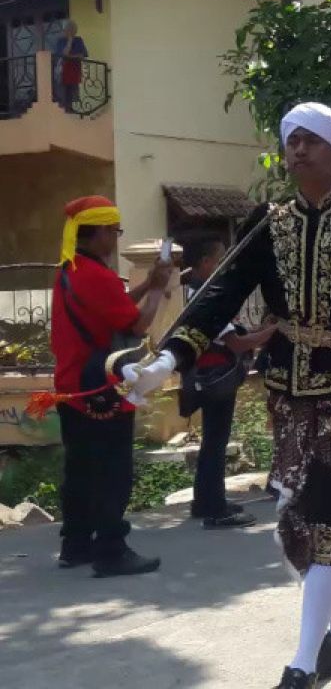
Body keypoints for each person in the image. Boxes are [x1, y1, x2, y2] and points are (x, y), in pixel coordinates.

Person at [123, 103, 331, 688]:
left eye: (311, 140)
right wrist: (168, 358)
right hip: (287, 387)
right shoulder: (270, 218)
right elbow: (222, 291)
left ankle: (303, 663)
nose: (298, 149)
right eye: (291, 140)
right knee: (293, 521)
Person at [49, 195, 171, 576]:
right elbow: (136, 324)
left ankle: (76, 545)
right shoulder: (96, 275)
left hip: (71, 387)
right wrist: (157, 289)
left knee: (81, 469)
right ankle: (112, 549)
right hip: (100, 389)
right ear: (100, 231)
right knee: (113, 470)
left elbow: (111, 307)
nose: (117, 238)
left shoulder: (70, 270)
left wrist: (144, 284)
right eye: (115, 231)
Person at [178, 235, 276, 529]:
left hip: (206, 376)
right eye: (221, 259)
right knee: (215, 443)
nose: (225, 266)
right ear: (206, 263)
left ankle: (206, 500)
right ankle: (215, 508)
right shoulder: (208, 297)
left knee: (213, 441)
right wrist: (272, 331)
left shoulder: (193, 290)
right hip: (215, 377)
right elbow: (235, 343)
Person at [54, 20, 88, 112]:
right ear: (65, 30)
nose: (72, 30)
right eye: (69, 28)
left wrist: (70, 56)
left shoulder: (79, 40)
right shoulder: (61, 41)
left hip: (74, 69)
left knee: (72, 90)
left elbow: (83, 55)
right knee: (63, 91)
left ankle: (70, 109)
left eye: (73, 28)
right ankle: (63, 110)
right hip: (63, 70)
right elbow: (64, 54)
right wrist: (69, 40)